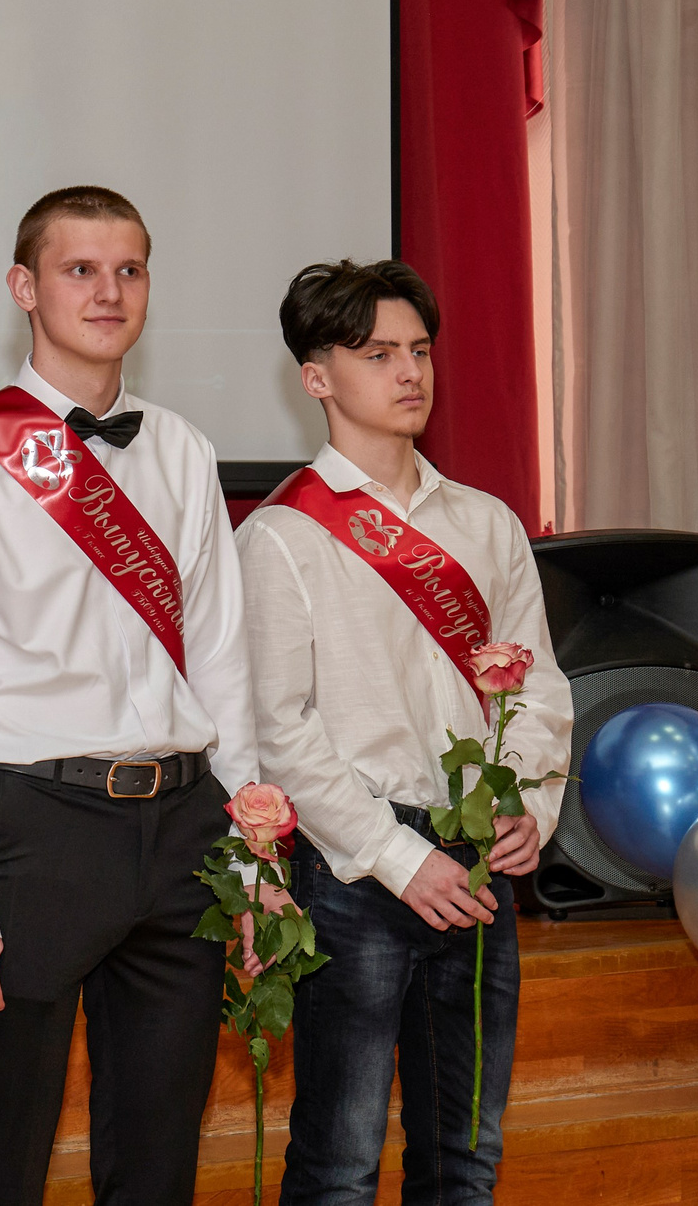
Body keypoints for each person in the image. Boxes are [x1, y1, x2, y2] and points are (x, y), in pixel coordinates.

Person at [0, 184, 256, 1206]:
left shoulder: (182, 449)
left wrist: (248, 843)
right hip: (35, 830)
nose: (107, 291)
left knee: (158, 1160)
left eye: (128, 270)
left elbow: (221, 661)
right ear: (24, 287)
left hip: (182, 826)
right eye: (78, 269)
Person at [240, 260, 573, 1203]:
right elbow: (281, 731)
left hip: (477, 859)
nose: (408, 371)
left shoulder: (487, 522)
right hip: (353, 871)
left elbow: (537, 683)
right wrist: (396, 855)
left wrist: (531, 809)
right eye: (378, 352)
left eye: (419, 350)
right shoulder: (283, 535)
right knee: (340, 1163)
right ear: (318, 377)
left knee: (464, 1154)